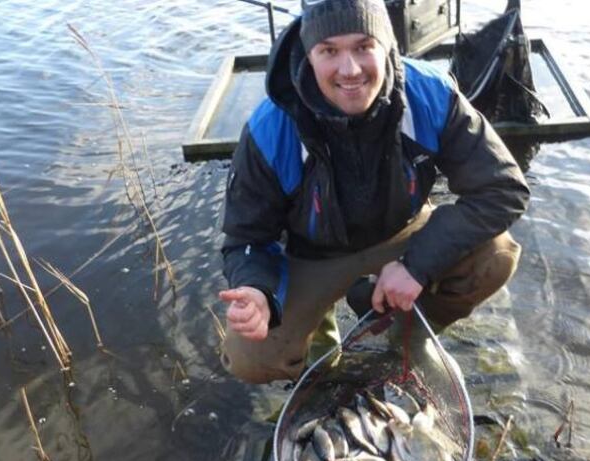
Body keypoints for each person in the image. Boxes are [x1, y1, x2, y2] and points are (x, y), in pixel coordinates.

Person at [219, 0, 530, 384]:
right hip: (311, 253)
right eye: (329, 51)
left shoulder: (428, 93)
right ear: (308, 54)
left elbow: (502, 188)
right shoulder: (270, 127)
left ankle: (409, 338)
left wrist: (417, 266)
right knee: (251, 356)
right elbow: (245, 238)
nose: (349, 70)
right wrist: (257, 290)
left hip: (402, 230)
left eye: (364, 46)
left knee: (496, 256)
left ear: (387, 46)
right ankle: (321, 344)